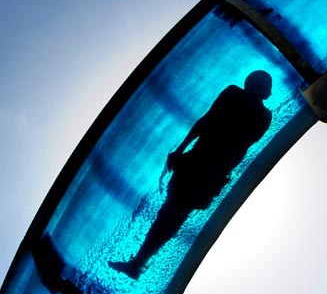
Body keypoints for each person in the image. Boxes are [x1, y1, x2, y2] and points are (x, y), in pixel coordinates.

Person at [110, 71, 273, 279]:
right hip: (204, 167)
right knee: (172, 214)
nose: (256, 85)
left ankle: (138, 263)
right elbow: (213, 127)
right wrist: (183, 152)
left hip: (203, 166)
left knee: (171, 213)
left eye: (259, 83)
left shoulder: (251, 107)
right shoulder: (252, 108)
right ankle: (138, 263)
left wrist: (186, 153)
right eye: (257, 81)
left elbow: (220, 133)